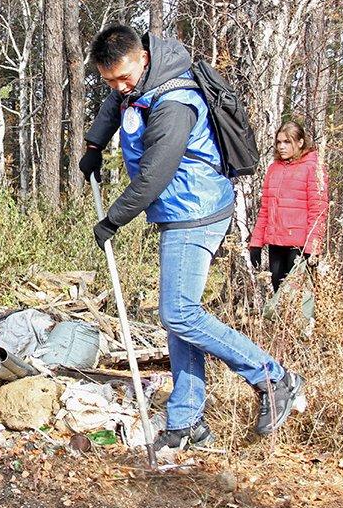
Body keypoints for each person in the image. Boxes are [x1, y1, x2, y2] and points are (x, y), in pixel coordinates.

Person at [79, 24, 305, 454]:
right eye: (110, 80)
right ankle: (186, 422)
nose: (119, 86)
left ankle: (274, 378)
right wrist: (94, 144)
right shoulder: (136, 80)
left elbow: (156, 174)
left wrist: (114, 219)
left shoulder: (175, 101)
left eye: (124, 77)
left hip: (195, 208)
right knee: (179, 314)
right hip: (180, 209)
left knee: (179, 313)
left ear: (142, 58)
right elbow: (116, 103)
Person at [249, 121, 328, 291]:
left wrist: (312, 248)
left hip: (299, 245)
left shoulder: (313, 167)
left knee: (297, 297)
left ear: (300, 143)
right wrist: (256, 243)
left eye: (287, 142)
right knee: (279, 295)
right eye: (279, 142)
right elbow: (265, 210)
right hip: (276, 243)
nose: (281, 147)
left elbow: (318, 211)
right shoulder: (273, 169)